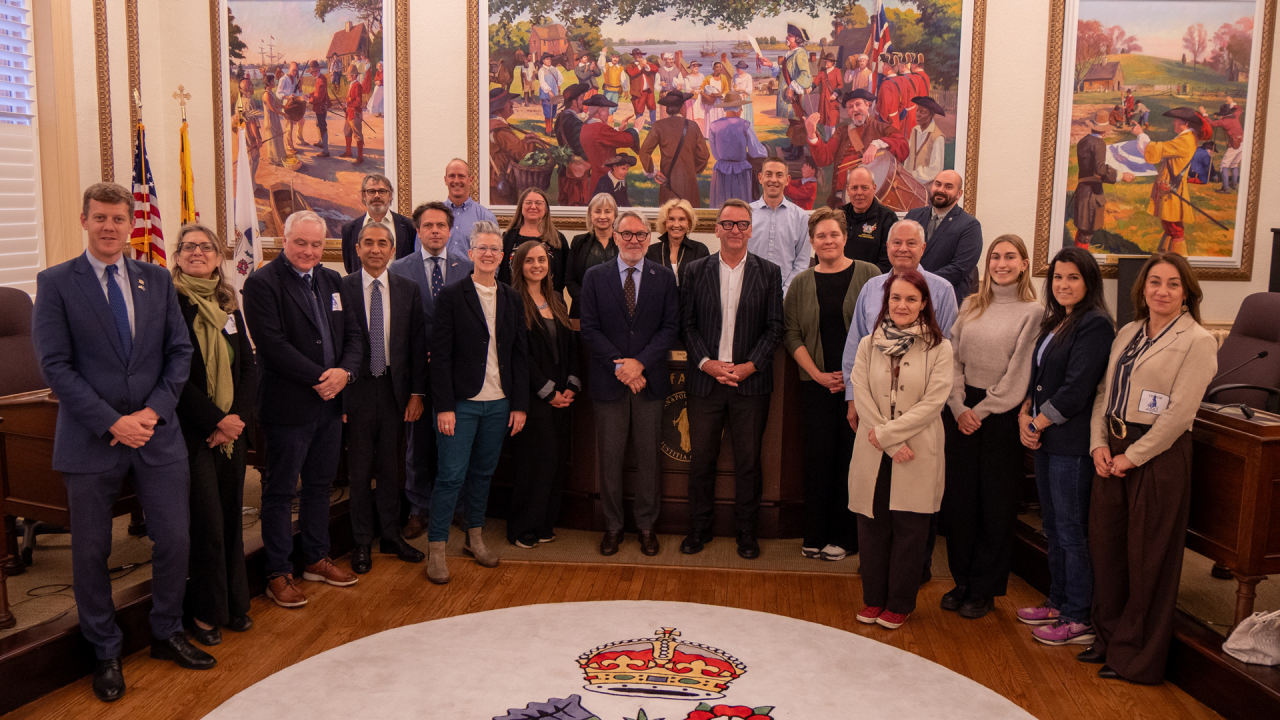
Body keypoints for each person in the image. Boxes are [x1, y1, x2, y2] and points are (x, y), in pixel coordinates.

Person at [32, 184, 211, 702]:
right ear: (84, 220)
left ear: (132, 224)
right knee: (92, 550)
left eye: (118, 218)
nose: (109, 227)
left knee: (175, 539)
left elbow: (179, 353)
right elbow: (55, 367)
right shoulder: (56, 282)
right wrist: (113, 422)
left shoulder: (157, 279)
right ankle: (105, 649)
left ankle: (166, 631)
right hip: (92, 439)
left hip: (156, 434)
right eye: (100, 218)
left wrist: (151, 413)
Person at [1086, 252, 1217, 684]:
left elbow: (1179, 414)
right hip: (1112, 449)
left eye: (1173, 284)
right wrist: (1099, 444)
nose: (1162, 291)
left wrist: (1134, 455)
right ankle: (1108, 639)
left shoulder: (1198, 340)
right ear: (1142, 289)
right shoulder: (1128, 331)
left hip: (1158, 456)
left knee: (1148, 559)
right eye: (1155, 282)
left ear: (1187, 293)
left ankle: (1136, 658)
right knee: (1107, 551)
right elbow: (1104, 393)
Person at [242, 210, 363, 608]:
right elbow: (272, 346)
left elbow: (353, 335)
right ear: (284, 239)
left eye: (316, 244)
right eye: (301, 242)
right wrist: (323, 378)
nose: (309, 251)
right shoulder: (261, 283)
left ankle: (315, 558)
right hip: (288, 406)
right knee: (280, 491)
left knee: (319, 486)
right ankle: (278, 572)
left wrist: (345, 373)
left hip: (330, 405)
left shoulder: (332, 280)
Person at [1015, 246, 1114, 646]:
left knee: (1072, 531)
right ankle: (1058, 601)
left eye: (1073, 277)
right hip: (1047, 439)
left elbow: (1076, 389)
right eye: (1058, 277)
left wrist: (1036, 422)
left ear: (1089, 282)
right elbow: (1039, 379)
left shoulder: (1096, 324)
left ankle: (1079, 616)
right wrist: (1025, 413)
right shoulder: (1057, 321)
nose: (1063, 284)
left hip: (1071, 445)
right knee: (1053, 526)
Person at [939, 235, 1042, 619]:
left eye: (1010, 257)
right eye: (995, 257)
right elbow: (952, 358)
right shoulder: (970, 305)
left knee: (995, 506)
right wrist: (958, 405)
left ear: (1024, 264)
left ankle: (984, 588)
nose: (1001, 263)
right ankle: (961, 581)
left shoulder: (1033, 312)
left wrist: (979, 412)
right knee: (960, 503)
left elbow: (1019, 374)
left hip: (1000, 416)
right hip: (960, 410)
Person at [679, 199, 785, 560]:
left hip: (750, 385)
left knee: (748, 462)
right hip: (705, 383)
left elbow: (775, 328)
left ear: (751, 230)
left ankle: (747, 532)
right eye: (727, 224)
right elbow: (687, 325)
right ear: (716, 229)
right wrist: (707, 363)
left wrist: (749, 366)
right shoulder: (695, 271)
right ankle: (699, 528)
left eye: (741, 224)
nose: (734, 230)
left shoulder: (769, 272)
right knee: (701, 460)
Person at [848, 269, 952, 633]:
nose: (902, 305)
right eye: (895, 298)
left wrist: (890, 436)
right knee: (872, 526)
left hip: (917, 449)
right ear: (886, 301)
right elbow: (861, 394)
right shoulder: (867, 344)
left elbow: (934, 402)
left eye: (911, 299)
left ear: (924, 304)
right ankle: (874, 598)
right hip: (876, 448)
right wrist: (889, 441)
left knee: (910, 531)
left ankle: (899, 604)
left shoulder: (940, 347)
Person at [426, 221, 529, 584]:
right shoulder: (452, 296)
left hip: (499, 403)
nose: (488, 254)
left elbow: (519, 355)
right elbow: (440, 357)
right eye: (482, 248)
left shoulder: (512, 298)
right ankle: (437, 548)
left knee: (483, 474)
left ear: (503, 257)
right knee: (451, 476)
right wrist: (444, 407)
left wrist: (519, 405)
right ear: (470, 254)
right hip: (461, 404)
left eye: (494, 249)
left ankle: (475, 537)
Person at [170, 225, 257, 649]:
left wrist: (236, 418)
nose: (198, 253)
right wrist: (215, 422)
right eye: (189, 247)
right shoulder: (170, 304)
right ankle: (205, 612)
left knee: (230, 518)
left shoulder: (228, 302)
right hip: (193, 433)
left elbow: (248, 367)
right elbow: (173, 376)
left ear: (218, 257)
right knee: (205, 523)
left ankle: (234, 603)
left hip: (231, 432)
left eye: (206, 247)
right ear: (177, 256)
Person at [580, 211, 681, 556]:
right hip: (610, 383)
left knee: (649, 458)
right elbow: (589, 328)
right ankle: (613, 526)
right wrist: (621, 366)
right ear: (616, 236)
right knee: (610, 458)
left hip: (649, 382)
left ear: (649, 238)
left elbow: (670, 327)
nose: (634, 240)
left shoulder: (663, 277)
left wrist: (640, 364)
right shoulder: (595, 276)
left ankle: (646, 526)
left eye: (640, 234)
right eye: (627, 234)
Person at [783, 208, 879, 562]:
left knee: (851, 460)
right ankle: (815, 533)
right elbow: (791, 334)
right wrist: (819, 375)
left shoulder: (870, 275)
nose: (828, 241)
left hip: (861, 387)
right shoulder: (801, 283)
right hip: (817, 385)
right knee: (818, 459)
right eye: (820, 236)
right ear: (811, 242)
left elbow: (877, 329)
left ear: (845, 237)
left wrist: (851, 379)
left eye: (834, 234)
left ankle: (845, 536)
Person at [339, 224, 428, 574]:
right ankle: (362, 541)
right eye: (368, 243)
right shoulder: (341, 288)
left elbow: (418, 345)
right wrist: (341, 400)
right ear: (357, 249)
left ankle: (391, 535)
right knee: (360, 471)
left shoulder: (408, 289)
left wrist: (417, 393)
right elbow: (335, 345)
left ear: (393, 250)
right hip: (356, 390)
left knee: (392, 469)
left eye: (382, 243)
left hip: (395, 390)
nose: (375, 249)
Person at [389, 202, 474, 539]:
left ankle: (458, 506)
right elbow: (397, 322)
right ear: (418, 230)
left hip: (456, 371)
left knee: (457, 442)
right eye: (428, 225)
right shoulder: (399, 269)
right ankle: (418, 508)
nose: (435, 231)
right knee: (419, 443)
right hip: (417, 372)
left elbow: (474, 320)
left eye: (441, 225)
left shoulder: (467, 267)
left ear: (450, 231)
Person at [842, 221, 959, 429]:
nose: (903, 249)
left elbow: (947, 353)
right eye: (897, 242)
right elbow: (855, 344)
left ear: (922, 248)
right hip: (872, 405)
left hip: (919, 409)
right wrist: (852, 397)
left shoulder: (942, 291)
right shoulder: (871, 288)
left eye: (911, 243)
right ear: (888, 247)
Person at [507, 241, 581, 548]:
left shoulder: (557, 299)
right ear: (519, 265)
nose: (536, 265)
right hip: (532, 396)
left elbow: (571, 346)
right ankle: (522, 527)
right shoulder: (512, 300)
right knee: (536, 462)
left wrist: (571, 385)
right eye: (529, 261)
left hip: (562, 396)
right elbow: (518, 354)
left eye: (541, 260)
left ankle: (544, 524)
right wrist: (548, 392)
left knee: (556, 461)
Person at [807, 89, 908, 209]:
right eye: (850, 107)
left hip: (870, 201)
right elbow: (824, 158)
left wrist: (877, 144)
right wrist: (812, 135)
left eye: (858, 104)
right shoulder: (842, 131)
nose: (855, 109)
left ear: (867, 105)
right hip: (841, 200)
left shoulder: (880, 128)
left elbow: (903, 146)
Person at [1131, 108, 1209, 255]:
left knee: (1174, 228)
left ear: (1185, 123)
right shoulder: (1187, 136)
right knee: (1168, 222)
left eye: (1176, 120)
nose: (1173, 122)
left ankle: (1177, 259)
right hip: (1170, 184)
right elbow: (1164, 152)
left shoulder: (1185, 140)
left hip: (1172, 186)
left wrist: (1140, 134)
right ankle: (1164, 254)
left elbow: (1157, 150)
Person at [905, 169, 983, 301]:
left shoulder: (970, 225)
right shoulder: (913, 216)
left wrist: (920, 282)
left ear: (959, 194)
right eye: (938, 184)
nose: (941, 190)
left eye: (948, 186)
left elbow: (959, 268)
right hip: (909, 296)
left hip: (946, 298)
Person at [750, 158, 811, 296]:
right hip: (750, 294)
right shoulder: (746, 214)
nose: (773, 180)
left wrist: (784, 293)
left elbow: (802, 262)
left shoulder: (801, 217)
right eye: (768, 174)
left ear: (787, 180)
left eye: (779, 175)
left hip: (786, 296)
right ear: (760, 178)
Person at [639, 90, 710, 208]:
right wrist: (694, 170)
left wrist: (653, 171)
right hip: (689, 181)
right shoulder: (693, 126)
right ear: (682, 108)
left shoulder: (659, 125)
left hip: (667, 180)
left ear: (667, 109)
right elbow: (704, 155)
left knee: (668, 213)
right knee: (689, 213)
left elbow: (644, 152)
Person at [340, 173, 418, 274]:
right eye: (371, 191)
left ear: (390, 195)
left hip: (399, 283)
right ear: (364, 196)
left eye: (382, 191)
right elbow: (350, 266)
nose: (377, 195)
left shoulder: (409, 226)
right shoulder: (349, 229)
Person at [757, 24, 813, 161]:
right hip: (790, 94)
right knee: (793, 120)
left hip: (795, 95)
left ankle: (798, 150)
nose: (787, 38)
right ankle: (793, 146)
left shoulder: (800, 54)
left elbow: (805, 75)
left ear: (797, 39)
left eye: (790, 36)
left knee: (798, 121)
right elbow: (783, 73)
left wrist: (792, 87)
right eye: (788, 35)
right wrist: (770, 64)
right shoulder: (791, 54)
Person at [499, 188, 569, 293]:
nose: (533, 206)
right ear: (521, 207)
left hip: (549, 299)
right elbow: (501, 272)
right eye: (528, 203)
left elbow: (566, 274)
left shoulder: (558, 238)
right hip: (513, 299)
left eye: (538, 203)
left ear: (546, 208)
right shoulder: (507, 237)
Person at [708, 91, 768, 207]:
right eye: (740, 107)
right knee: (741, 203)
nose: (741, 110)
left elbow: (715, 153)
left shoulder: (714, 125)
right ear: (736, 109)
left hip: (721, 169)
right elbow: (756, 151)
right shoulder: (745, 125)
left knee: (722, 204)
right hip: (741, 170)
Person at [567, 192, 619, 321]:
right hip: (583, 311)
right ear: (590, 214)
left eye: (607, 211)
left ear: (615, 215)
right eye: (597, 211)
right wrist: (587, 302)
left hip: (618, 312)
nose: (602, 216)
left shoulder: (624, 243)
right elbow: (570, 280)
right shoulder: (578, 242)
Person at [1074, 114, 1121, 249]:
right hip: (1092, 194)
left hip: (1082, 190)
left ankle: (1077, 254)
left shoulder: (1083, 141)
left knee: (1082, 230)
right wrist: (1120, 175)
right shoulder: (1099, 143)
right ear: (1104, 130)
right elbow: (1100, 169)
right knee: (1086, 233)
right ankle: (1080, 258)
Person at [579, 94, 640, 191]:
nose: (608, 114)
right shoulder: (600, 128)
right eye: (607, 110)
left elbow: (603, 139)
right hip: (607, 177)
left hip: (596, 175)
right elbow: (626, 140)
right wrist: (636, 129)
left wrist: (619, 129)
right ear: (600, 111)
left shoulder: (586, 126)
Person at [442, 158, 499, 259]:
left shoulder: (486, 218)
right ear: (445, 180)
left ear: (471, 180)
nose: (456, 181)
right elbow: (421, 253)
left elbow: (494, 257)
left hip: (474, 270)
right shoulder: (434, 216)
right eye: (452, 176)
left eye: (461, 176)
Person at [841, 166, 896, 272]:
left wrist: (863, 280)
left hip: (872, 280)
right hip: (840, 279)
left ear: (874, 188)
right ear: (848, 190)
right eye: (854, 188)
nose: (859, 193)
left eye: (864, 188)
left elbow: (887, 262)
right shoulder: (838, 216)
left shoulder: (888, 218)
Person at [646, 197, 709, 286]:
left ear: (689, 223)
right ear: (664, 222)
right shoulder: (651, 252)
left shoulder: (700, 251)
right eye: (671, 219)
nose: (676, 224)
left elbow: (705, 286)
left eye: (681, 219)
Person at [488, 89, 526, 206]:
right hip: (501, 180)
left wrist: (525, 140)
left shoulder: (492, 123)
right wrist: (530, 143)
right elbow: (522, 152)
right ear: (500, 106)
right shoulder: (500, 129)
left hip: (495, 180)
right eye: (508, 101)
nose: (512, 103)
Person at [1203, 101, 1243, 193]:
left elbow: (1211, 123)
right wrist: (1232, 102)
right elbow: (1239, 109)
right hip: (1243, 143)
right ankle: (1233, 184)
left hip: (1234, 145)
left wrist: (1204, 114)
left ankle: (1225, 189)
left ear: (1223, 114)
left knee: (1224, 165)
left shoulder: (1223, 121)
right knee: (1234, 164)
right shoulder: (1235, 116)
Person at [906, 96, 947, 187]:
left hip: (926, 186)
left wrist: (913, 175)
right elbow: (908, 158)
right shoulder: (914, 131)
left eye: (922, 112)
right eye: (917, 110)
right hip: (909, 184)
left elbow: (935, 169)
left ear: (931, 115)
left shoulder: (937, 137)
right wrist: (906, 175)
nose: (917, 114)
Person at [625, 48, 659, 130]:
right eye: (637, 55)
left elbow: (655, 69)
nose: (639, 56)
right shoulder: (630, 65)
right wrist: (640, 66)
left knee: (652, 107)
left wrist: (646, 65)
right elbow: (632, 73)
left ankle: (653, 125)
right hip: (638, 92)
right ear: (633, 56)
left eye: (640, 54)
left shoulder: (648, 64)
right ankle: (638, 126)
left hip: (649, 91)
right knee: (639, 109)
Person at [339, 64, 365, 164]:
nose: (347, 76)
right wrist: (345, 106)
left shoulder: (357, 85)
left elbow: (358, 102)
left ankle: (360, 158)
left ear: (354, 76)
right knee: (347, 131)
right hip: (349, 114)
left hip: (355, 114)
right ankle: (348, 152)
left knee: (357, 135)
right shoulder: (351, 84)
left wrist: (347, 105)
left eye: (348, 75)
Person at [260, 73, 289, 164]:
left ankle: (280, 157)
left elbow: (276, 104)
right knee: (272, 138)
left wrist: (285, 107)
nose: (274, 82)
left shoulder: (271, 93)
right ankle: (274, 159)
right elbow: (272, 108)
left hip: (275, 118)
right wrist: (283, 114)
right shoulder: (266, 94)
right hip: (270, 119)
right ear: (268, 83)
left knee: (279, 135)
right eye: (273, 81)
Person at [277, 61, 307, 150]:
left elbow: (298, 93)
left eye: (296, 71)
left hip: (295, 105)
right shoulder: (283, 79)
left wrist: (301, 83)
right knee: (289, 126)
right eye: (293, 70)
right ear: (289, 68)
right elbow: (278, 93)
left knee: (301, 120)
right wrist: (288, 96)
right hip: (287, 105)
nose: (295, 72)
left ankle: (299, 139)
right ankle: (289, 146)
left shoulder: (295, 79)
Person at [305, 60, 330, 157]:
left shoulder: (321, 80)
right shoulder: (319, 77)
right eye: (311, 72)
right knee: (318, 124)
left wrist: (308, 100)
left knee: (322, 126)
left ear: (317, 70)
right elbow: (316, 92)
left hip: (321, 107)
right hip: (319, 106)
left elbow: (319, 97)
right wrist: (309, 94)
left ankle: (326, 151)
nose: (311, 74)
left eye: (313, 72)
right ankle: (321, 142)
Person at [538, 53, 564, 136]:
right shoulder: (541, 70)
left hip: (554, 93)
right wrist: (549, 90)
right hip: (546, 94)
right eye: (547, 59)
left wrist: (558, 84)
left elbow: (560, 77)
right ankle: (547, 130)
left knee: (553, 112)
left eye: (549, 59)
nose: (549, 60)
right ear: (543, 61)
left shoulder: (554, 69)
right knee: (548, 112)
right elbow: (542, 82)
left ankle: (551, 129)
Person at [732, 60, 756, 132]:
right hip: (737, 98)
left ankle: (746, 132)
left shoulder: (748, 76)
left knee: (745, 115)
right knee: (737, 115)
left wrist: (739, 89)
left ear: (742, 69)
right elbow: (732, 87)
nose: (736, 69)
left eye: (738, 68)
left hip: (745, 98)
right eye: (736, 68)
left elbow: (750, 90)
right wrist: (734, 89)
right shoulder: (735, 76)